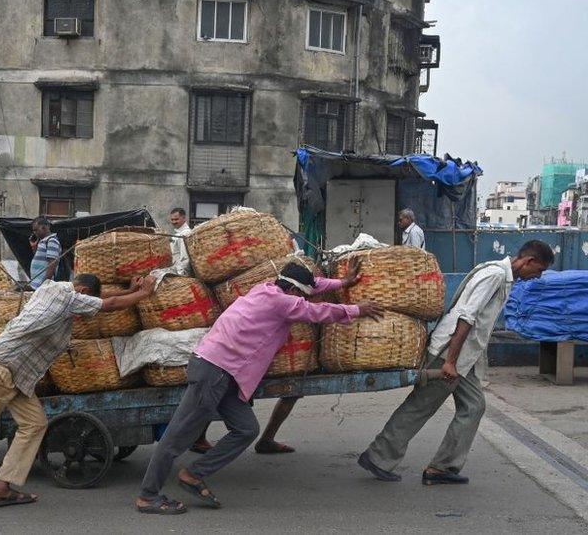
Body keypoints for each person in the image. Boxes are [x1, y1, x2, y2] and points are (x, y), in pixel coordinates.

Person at [136, 261, 380, 515]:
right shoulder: (282, 303)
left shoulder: (265, 288)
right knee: (177, 436)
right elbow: (316, 311)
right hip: (213, 369)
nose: (303, 296)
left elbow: (314, 285)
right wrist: (355, 309)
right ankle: (148, 495)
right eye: (301, 294)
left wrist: (343, 282)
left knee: (246, 429)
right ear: (295, 292)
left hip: (226, 374)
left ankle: (193, 474)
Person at [0, 274, 157, 517]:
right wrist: (143, 294)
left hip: (14, 376)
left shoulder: (54, 289)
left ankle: (1, 486)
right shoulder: (66, 297)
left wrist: (128, 289)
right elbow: (108, 305)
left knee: (34, 424)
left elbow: (97, 299)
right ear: (82, 291)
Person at [358, 240, 554, 486]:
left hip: (464, 358)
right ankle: (378, 457)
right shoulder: (494, 275)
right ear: (529, 261)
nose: (537, 276)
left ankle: (442, 468)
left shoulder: (501, 276)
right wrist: (450, 361)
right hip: (448, 354)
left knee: (473, 406)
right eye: (539, 270)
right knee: (420, 406)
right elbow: (466, 316)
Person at [28, 216, 61, 289]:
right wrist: (34, 247)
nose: (35, 232)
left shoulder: (52, 241)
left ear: (45, 227)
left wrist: (44, 284)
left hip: (42, 286)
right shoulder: (42, 241)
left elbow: (53, 263)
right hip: (36, 285)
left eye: (36, 230)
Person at [167, 207, 192, 274]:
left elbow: (185, 258)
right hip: (174, 270)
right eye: (172, 219)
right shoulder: (178, 233)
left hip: (179, 273)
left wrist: (180, 274)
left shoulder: (184, 234)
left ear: (184, 218)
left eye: (176, 219)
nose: (174, 222)